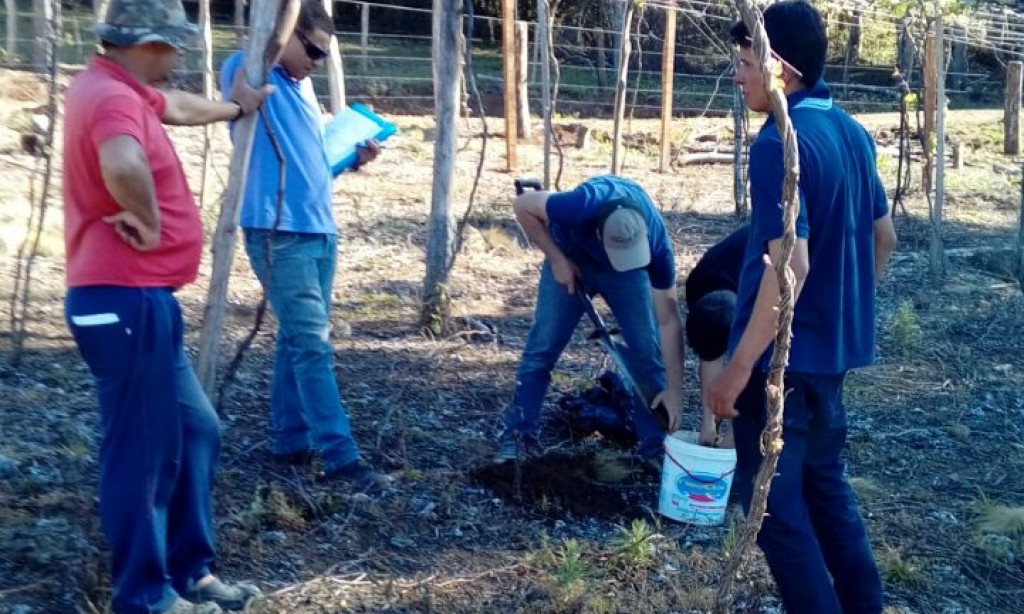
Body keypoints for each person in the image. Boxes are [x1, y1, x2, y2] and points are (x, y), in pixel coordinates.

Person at [62, 1, 273, 613]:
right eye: (176, 44)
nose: (182, 55)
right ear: (149, 42)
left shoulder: (123, 87)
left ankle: (190, 572)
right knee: (144, 452)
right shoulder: (109, 99)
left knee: (194, 429)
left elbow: (178, 107)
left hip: (142, 301)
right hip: (122, 301)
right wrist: (152, 222)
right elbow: (122, 160)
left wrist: (236, 108)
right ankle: (146, 596)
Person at [707, 2, 898, 613]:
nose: (736, 77)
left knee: (775, 514)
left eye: (743, 63)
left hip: (782, 368)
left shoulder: (778, 146)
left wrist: (738, 370)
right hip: (833, 356)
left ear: (779, 70)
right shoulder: (849, 130)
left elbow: (790, 266)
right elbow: (883, 237)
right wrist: (843, 309)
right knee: (825, 489)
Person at [219, 0, 384, 491]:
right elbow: (271, 36)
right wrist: (283, 20)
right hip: (278, 233)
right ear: (283, 34)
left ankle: (289, 442)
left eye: (322, 53)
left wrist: (352, 160)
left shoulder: (302, 87)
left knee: (297, 340)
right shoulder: (250, 67)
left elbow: (306, 162)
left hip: (318, 229)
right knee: (313, 345)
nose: (315, 58)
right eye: (310, 47)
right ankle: (341, 458)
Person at [496, 175, 686, 467]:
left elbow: (669, 321)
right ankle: (518, 437)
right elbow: (522, 206)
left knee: (646, 350)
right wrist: (557, 258)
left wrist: (674, 389)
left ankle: (655, 448)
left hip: (626, 274)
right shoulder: (578, 205)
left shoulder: (656, 243)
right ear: (598, 235)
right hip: (570, 255)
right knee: (542, 348)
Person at [683, 224, 747, 447]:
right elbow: (709, 352)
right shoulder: (697, 284)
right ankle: (711, 424)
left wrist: (731, 438)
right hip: (724, 285)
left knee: (748, 361)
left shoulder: (754, 293)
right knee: (713, 336)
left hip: (769, 278)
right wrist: (707, 423)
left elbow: (749, 365)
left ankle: (736, 430)